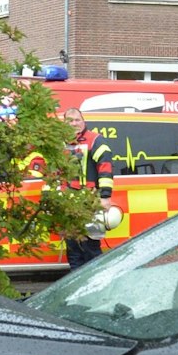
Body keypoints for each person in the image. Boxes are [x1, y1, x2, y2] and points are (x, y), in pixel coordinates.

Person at [64, 109, 116, 270]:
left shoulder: (95, 140)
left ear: (83, 121)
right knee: (73, 248)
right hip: (68, 203)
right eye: (70, 120)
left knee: (90, 246)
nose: (74, 123)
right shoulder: (59, 141)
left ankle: (98, 284)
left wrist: (105, 196)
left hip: (90, 203)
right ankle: (77, 284)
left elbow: (105, 167)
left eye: (77, 120)